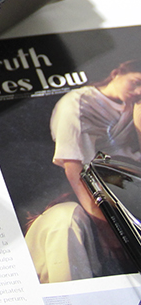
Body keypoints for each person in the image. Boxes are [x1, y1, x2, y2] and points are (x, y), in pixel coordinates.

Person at [25, 60, 141, 283]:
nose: (137, 92)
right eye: (135, 82)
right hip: (91, 194)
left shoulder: (131, 108)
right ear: (117, 72)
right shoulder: (78, 103)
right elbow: (74, 167)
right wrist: (104, 225)